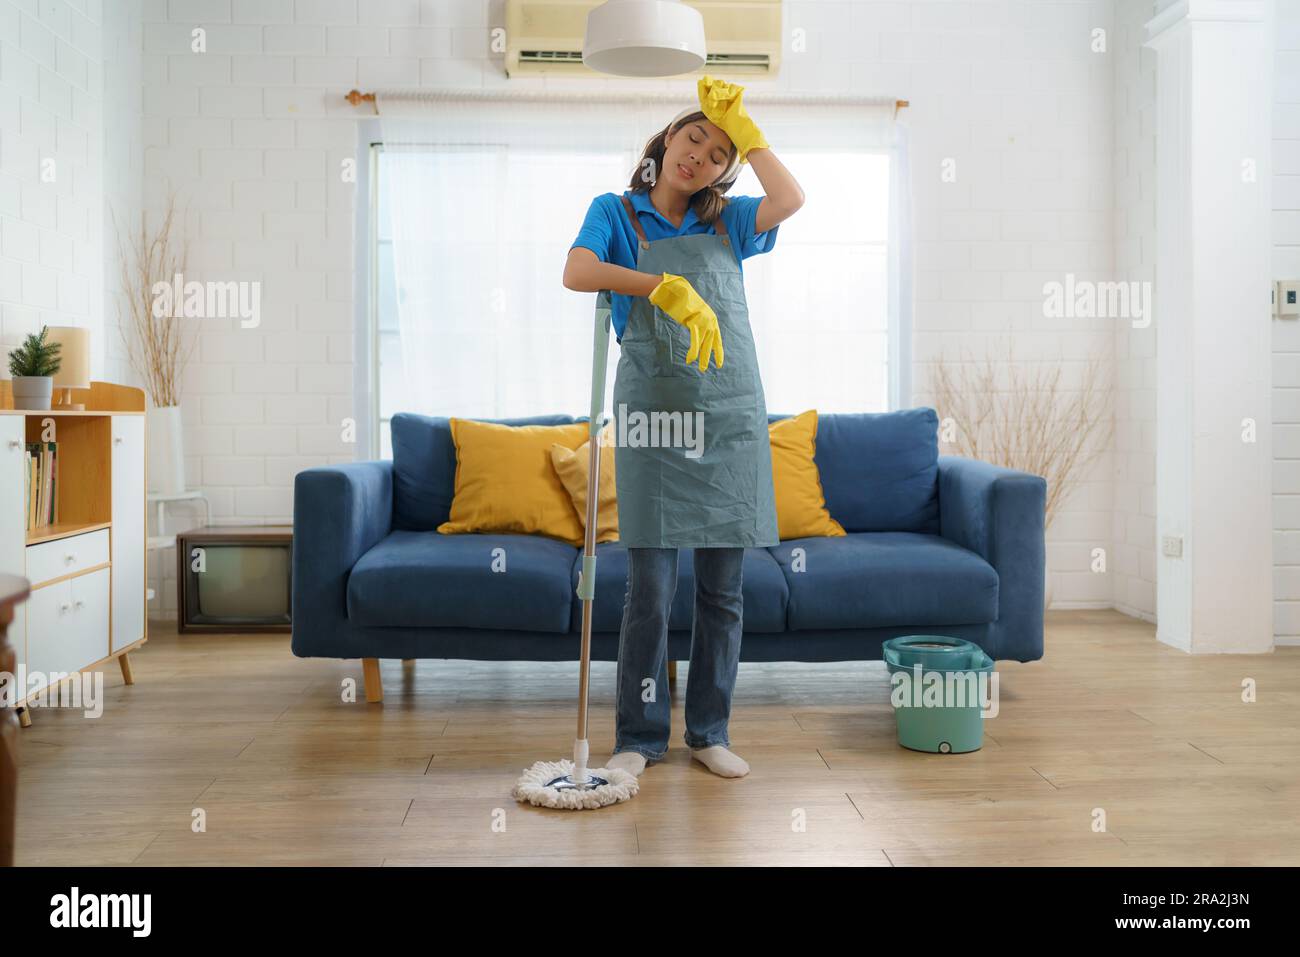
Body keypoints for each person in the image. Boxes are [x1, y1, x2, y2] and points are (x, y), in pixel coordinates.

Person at [562, 76, 805, 779]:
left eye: (718, 151)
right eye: (693, 136)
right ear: (669, 139)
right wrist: (656, 285)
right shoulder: (616, 212)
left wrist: (750, 134)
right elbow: (578, 272)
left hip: (728, 419)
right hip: (652, 422)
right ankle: (638, 739)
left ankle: (709, 730)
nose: (699, 155)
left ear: (726, 169)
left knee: (722, 592)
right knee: (648, 592)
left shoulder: (728, 220)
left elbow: (790, 200)